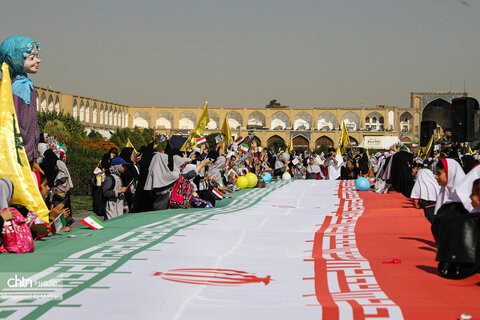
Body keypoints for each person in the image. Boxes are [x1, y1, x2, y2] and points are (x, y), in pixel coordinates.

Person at [0, 36, 41, 163]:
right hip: (20, 151)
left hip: (25, 149)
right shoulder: (18, 88)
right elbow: (15, 119)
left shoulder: (22, 84)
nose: (38, 61)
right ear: (15, 59)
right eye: (31, 57)